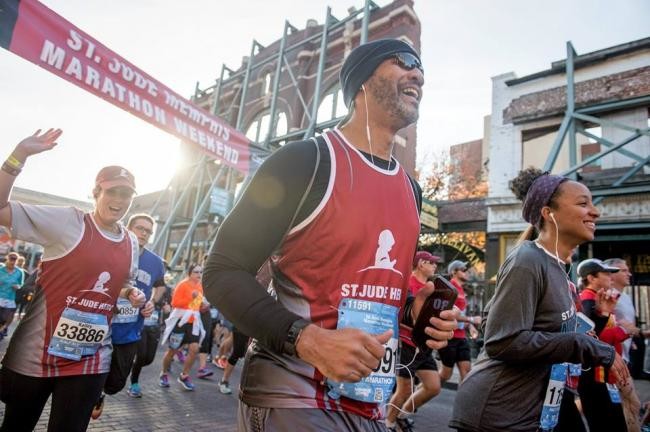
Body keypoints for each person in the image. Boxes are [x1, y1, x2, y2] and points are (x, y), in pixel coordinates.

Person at [204, 38, 457, 431]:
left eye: (421, 69)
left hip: (369, 402)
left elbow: (368, 292)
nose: (418, 75)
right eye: (405, 61)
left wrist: (413, 313)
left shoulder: (411, 190)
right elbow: (222, 272)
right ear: (361, 81)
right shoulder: (303, 162)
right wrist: (307, 339)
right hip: (293, 396)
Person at [450, 167, 629, 432]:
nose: (595, 212)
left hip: (536, 409)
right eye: (583, 204)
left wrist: (595, 325)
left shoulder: (559, 268)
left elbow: (548, 333)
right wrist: (586, 345)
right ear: (548, 213)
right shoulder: (527, 260)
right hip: (497, 413)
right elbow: (502, 340)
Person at [0, 129, 146, 432]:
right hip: (37, 353)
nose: (119, 200)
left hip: (90, 357)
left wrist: (131, 294)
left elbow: (120, 286)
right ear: (96, 193)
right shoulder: (69, 222)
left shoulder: (131, 242)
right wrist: (18, 156)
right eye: (112, 192)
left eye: (126, 195)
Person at [91, 213, 165, 416]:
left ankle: (102, 391)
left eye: (148, 231)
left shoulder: (155, 262)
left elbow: (160, 285)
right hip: (100, 324)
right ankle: (92, 395)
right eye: (140, 228)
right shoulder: (110, 250)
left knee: (117, 381)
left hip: (130, 330)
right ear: (128, 228)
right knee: (90, 374)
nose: (144, 233)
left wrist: (152, 302)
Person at [386, 251, 442, 432]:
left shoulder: (431, 287)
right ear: (421, 264)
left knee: (433, 387)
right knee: (404, 390)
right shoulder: (407, 283)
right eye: (431, 262)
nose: (435, 266)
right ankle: (388, 424)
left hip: (424, 346)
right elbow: (399, 315)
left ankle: (401, 416)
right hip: (407, 345)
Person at [577, 258, 635, 432]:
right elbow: (590, 338)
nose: (611, 276)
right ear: (591, 278)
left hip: (605, 374)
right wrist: (624, 331)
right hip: (596, 374)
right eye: (606, 273)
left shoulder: (597, 298)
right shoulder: (587, 300)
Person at [159, 263, 205, 391]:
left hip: (193, 322)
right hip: (180, 322)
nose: (199, 275)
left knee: (194, 349)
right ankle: (163, 373)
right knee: (172, 351)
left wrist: (201, 303)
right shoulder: (182, 285)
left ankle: (184, 376)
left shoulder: (200, 286)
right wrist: (192, 298)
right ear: (190, 273)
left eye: (200, 272)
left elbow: (195, 305)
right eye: (196, 272)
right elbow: (175, 303)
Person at [438, 260, 480, 384]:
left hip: (461, 337)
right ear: (454, 272)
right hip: (449, 337)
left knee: (467, 372)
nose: (467, 272)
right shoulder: (450, 287)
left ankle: (464, 397)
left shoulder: (461, 290)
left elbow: (460, 314)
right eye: (463, 270)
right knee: (445, 375)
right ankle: (424, 387)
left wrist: (470, 326)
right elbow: (450, 313)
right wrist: (471, 320)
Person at [0, 251, 24, 340]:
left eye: (15, 259)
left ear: (17, 260)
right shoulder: (1, 270)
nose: (13, 261)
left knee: (6, 317)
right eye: (11, 258)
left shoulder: (19, 272)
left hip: (10, 298)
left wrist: (17, 286)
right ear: (7, 258)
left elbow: (21, 284)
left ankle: (3, 329)